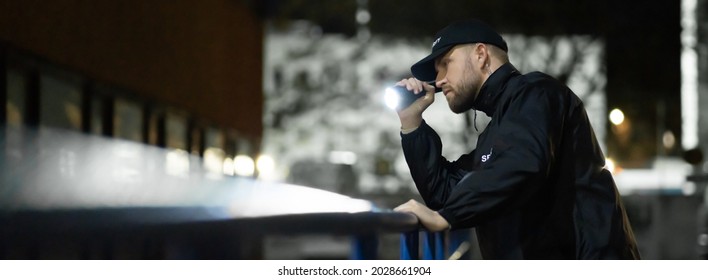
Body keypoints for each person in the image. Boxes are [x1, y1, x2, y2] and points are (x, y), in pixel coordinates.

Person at [392, 19, 640, 259]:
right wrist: (411, 123)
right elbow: (446, 193)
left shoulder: (536, 92)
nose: (439, 80)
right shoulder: (497, 132)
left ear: (480, 54)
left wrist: (448, 217)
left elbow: (522, 162)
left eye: (446, 63)